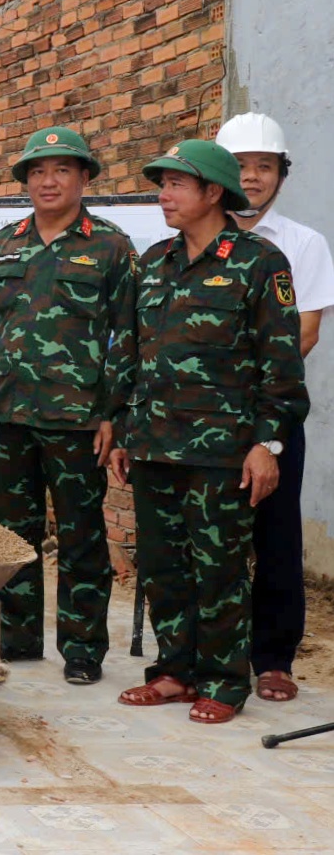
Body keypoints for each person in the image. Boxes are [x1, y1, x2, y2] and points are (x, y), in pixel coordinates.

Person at [111, 137, 307, 723]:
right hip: (154, 445)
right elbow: (130, 354)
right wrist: (122, 429)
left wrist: (267, 445)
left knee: (219, 570)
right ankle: (174, 672)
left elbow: (281, 369)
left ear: (213, 192)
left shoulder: (259, 262)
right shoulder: (152, 263)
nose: (163, 195)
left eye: (176, 184)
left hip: (222, 452)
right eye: (162, 185)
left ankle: (223, 681)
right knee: (163, 567)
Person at [0, 128, 137, 684]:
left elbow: (127, 338)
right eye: (38, 171)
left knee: (82, 536)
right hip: (9, 414)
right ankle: (17, 637)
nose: (48, 181)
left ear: (84, 178)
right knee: (12, 534)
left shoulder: (111, 247)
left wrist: (114, 414)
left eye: (62, 170)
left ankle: (83, 649)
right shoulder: (2, 245)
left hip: (78, 419)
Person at [216, 113, 334, 703]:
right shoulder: (193, 240)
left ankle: (273, 658)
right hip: (202, 416)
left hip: (271, 412)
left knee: (277, 533)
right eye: (240, 166)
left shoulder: (303, 244)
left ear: (281, 175)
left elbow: (303, 334)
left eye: (265, 166)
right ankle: (204, 653)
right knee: (204, 534)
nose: (252, 177)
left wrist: (242, 390)